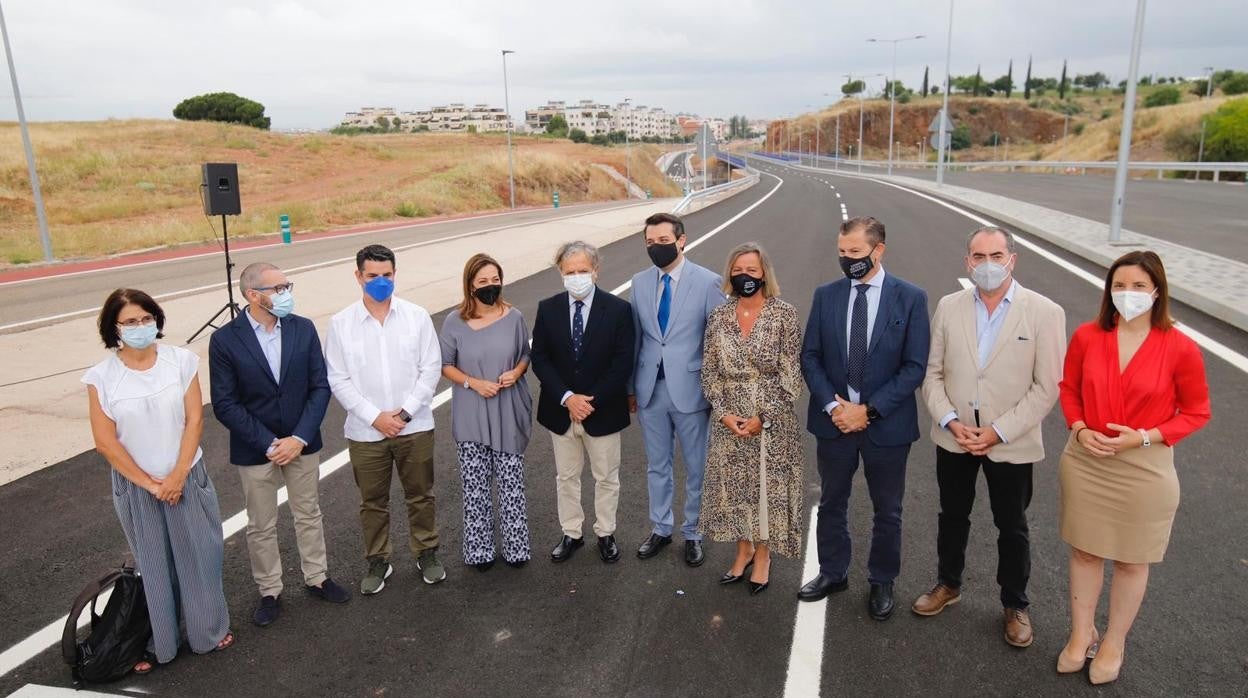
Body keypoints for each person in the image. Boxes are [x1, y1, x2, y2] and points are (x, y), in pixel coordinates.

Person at [1056, 250, 1210, 684]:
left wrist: (1142, 437)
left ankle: (1114, 642)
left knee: (1130, 560)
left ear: (1157, 291)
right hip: (1088, 459)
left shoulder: (1180, 347)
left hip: (1144, 467)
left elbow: (1196, 412)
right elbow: (1069, 389)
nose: (1128, 294)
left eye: (1139, 286)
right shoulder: (1088, 336)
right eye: (1119, 285)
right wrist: (1081, 429)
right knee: (1085, 551)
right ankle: (1081, 633)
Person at [915, 227, 1066, 647]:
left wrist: (998, 432)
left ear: (1011, 260)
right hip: (956, 437)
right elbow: (932, 374)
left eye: (996, 255)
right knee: (952, 515)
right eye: (978, 257)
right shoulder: (948, 306)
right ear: (967, 262)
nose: (987, 265)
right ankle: (948, 584)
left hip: (1010, 442)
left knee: (1012, 526)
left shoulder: (1045, 312)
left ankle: (1015, 604)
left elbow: (1047, 387)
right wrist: (948, 419)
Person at [82, 289, 233, 673]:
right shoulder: (102, 377)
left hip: (186, 476)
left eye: (147, 318)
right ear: (113, 328)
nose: (141, 327)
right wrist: (152, 485)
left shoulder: (180, 361)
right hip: (138, 487)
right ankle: (157, 642)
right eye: (130, 322)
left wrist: (178, 475)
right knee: (155, 565)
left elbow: (195, 420)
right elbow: (105, 442)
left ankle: (208, 632)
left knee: (201, 556)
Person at [798, 216, 929, 621]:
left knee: (887, 509)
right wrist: (834, 407)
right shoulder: (827, 295)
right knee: (831, 503)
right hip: (835, 424)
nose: (846, 259)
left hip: (886, 425)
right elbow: (811, 357)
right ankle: (833, 572)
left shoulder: (910, 298)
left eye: (854, 252)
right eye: (842, 252)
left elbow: (914, 366)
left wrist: (867, 410)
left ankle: (881, 580)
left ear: (878, 250)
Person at [209, 263, 350, 627]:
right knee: (261, 523)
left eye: (288, 285)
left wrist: (299, 438)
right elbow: (225, 403)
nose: (287, 293)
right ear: (253, 295)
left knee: (309, 513)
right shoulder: (225, 340)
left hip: (302, 442)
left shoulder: (302, 328)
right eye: (279, 287)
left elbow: (320, 386)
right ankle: (269, 590)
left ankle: (317, 577)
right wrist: (271, 443)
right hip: (257, 448)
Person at [325, 244, 445, 594]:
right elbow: (338, 378)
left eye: (387, 275)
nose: (381, 281)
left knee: (420, 495)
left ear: (395, 274)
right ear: (358, 276)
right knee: (372, 501)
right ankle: (378, 560)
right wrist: (375, 417)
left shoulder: (417, 316)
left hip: (415, 426)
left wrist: (405, 413)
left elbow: (431, 368)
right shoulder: (341, 323)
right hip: (365, 432)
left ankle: (427, 553)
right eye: (373, 276)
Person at [699, 243, 804, 596]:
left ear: (764, 275)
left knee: (766, 490)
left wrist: (765, 416)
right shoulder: (719, 316)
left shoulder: (784, 314)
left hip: (771, 420)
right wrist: (724, 412)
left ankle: (763, 556)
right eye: (738, 270)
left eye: (752, 271)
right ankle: (741, 551)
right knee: (736, 490)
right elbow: (709, 371)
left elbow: (791, 375)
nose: (745, 276)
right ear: (730, 274)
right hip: (729, 418)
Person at [628, 212, 727, 566]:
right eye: (650, 243)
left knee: (697, 466)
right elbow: (636, 339)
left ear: (681, 240)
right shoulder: (639, 282)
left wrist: (718, 393)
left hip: (692, 389)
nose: (656, 248)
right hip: (650, 390)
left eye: (663, 241)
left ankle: (693, 532)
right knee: (657, 465)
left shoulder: (709, 282)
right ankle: (660, 528)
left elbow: (719, 342)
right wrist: (630, 388)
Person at [531, 241, 635, 563]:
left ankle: (605, 533)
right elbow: (540, 358)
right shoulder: (547, 309)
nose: (576, 277)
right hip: (561, 411)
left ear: (595, 271)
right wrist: (567, 398)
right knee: (566, 477)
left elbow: (622, 362)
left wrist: (589, 401)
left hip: (601, 410)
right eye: (570, 271)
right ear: (561, 273)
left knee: (606, 477)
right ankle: (571, 533)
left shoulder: (618, 310)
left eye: (582, 270)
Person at [439, 253, 533, 570]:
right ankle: (480, 551)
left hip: (507, 411)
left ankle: (516, 548)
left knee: (511, 485)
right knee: (475, 487)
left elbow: (524, 355)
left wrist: (518, 372)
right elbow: (445, 365)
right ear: (470, 285)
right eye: (483, 282)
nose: (490, 286)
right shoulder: (455, 322)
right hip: (472, 413)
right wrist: (473, 384)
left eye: (495, 280)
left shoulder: (514, 317)